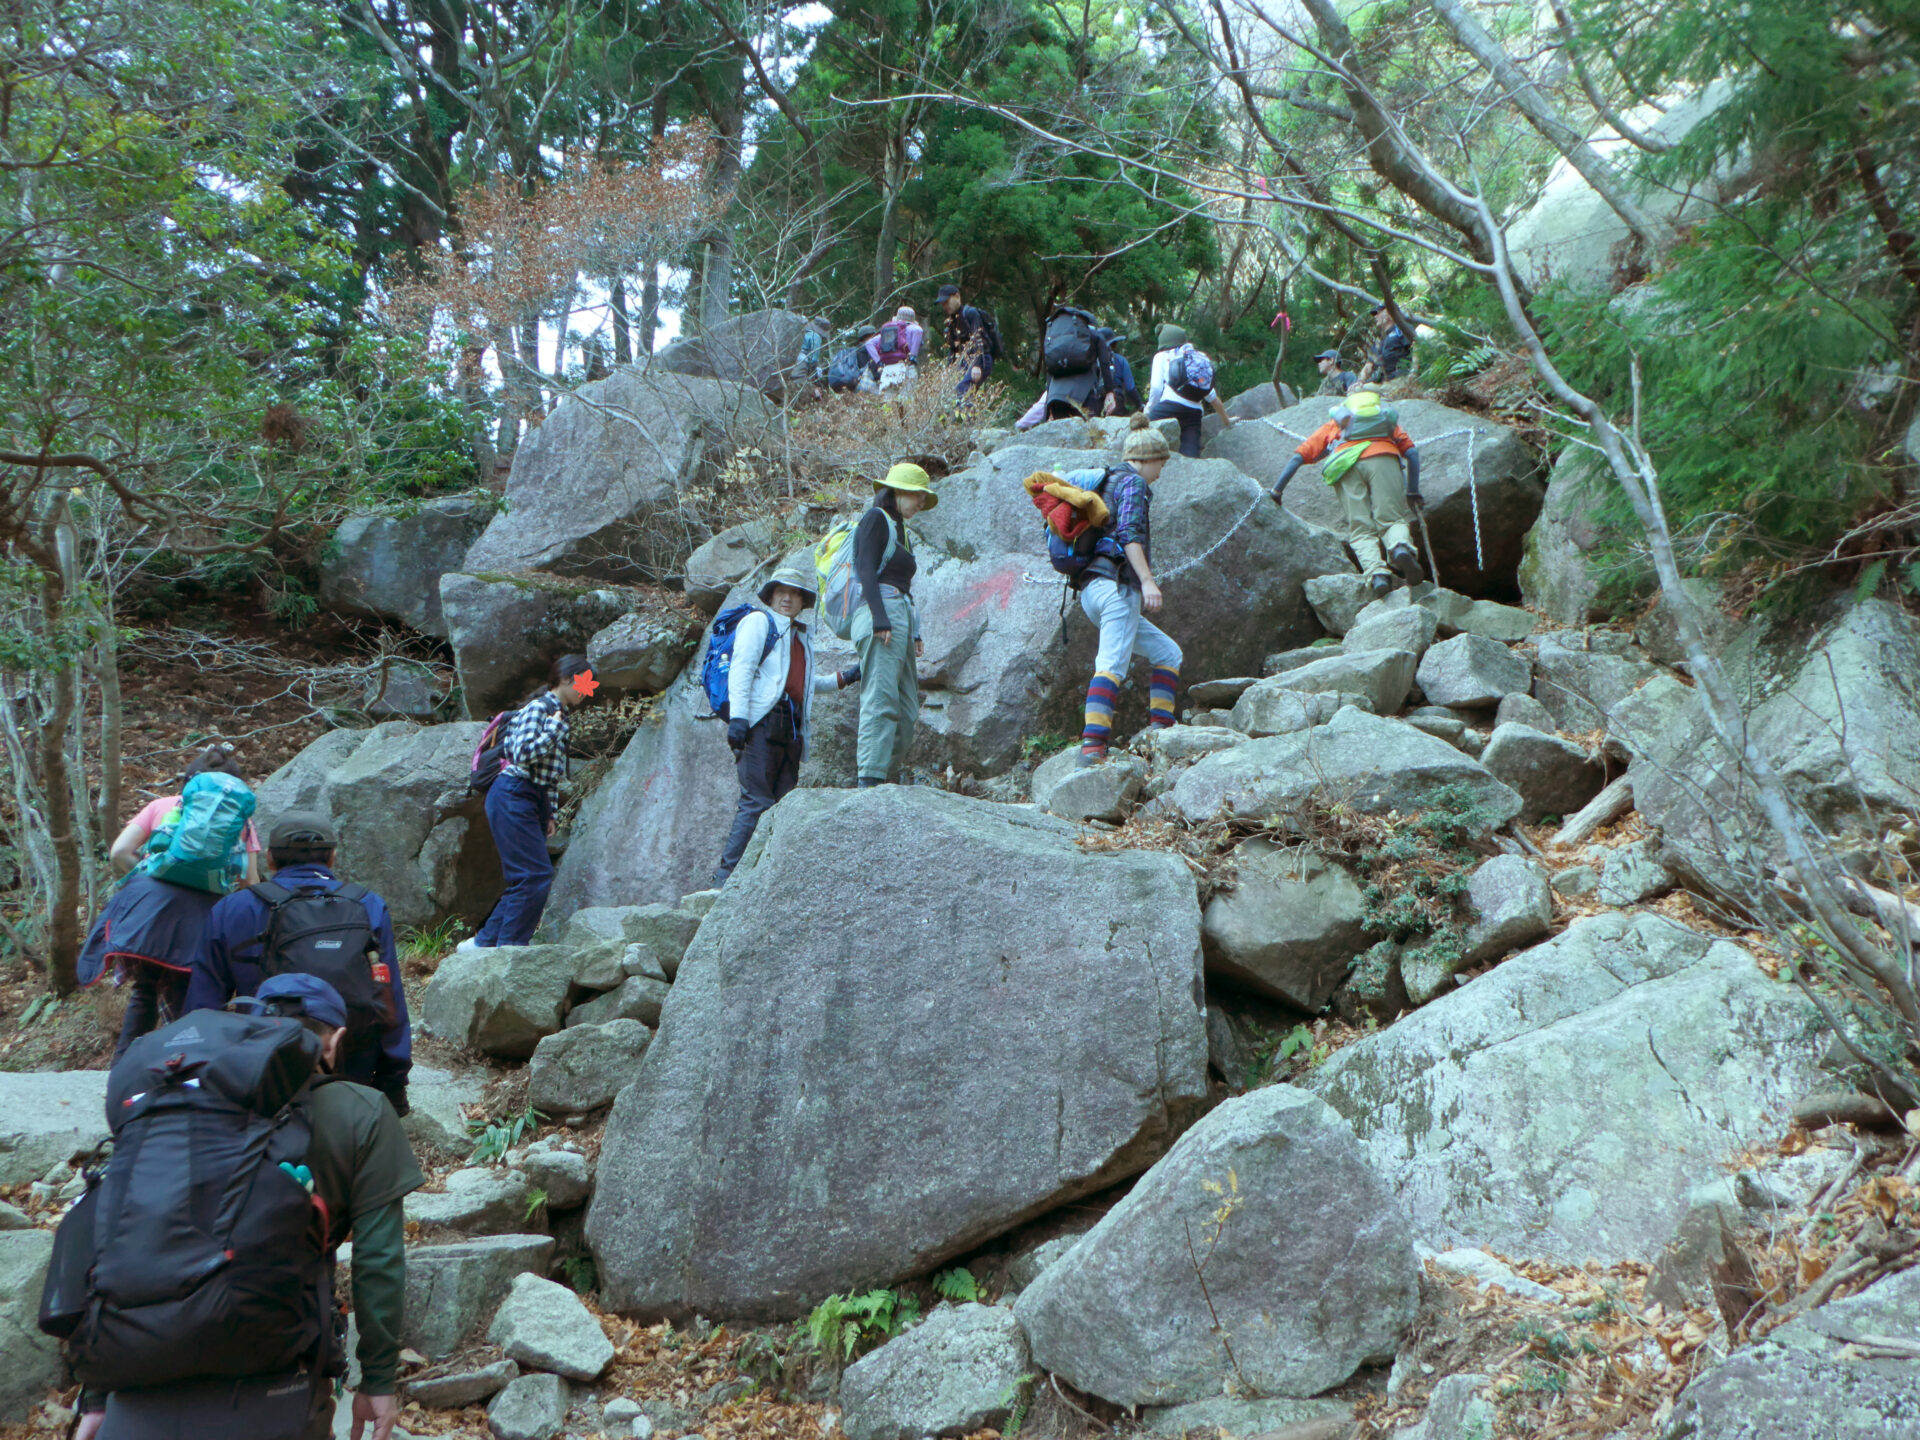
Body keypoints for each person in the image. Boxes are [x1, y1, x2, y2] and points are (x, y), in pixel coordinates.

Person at [73, 972, 425, 1440]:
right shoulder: (363, 1111)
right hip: (276, 1387)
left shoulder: (174, 1107)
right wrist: (377, 1380)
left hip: (138, 1380)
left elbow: (114, 1238)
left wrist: (97, 1394)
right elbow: (378, 1262)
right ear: (336, 1041)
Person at [187, 811, 413, 1117]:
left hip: (262, 1068)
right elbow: (388, 996)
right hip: (350, 1068)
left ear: (269, 859)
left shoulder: (233, 908)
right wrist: (394, 1083)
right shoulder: (368, 905)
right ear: (332, 857)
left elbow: (203, 1007)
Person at [81, 746, 264, 1057]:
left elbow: (119, 852)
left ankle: (123, 1068)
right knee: (186, 993)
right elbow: (250, 882)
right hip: (202, 914)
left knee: (145, 989)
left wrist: (151, 871)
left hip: (151, 908)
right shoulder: (240, 823)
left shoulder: (162, 806)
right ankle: (183, 1067)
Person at [713, 568, 861, 885]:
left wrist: (844, 678)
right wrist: (739, 718)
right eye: (782, 591)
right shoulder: (759, 622)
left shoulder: (797, 636)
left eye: (795, 593)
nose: (788, 598)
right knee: (757, 801)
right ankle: (725, 880)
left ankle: (764, 880)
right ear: (770, 596)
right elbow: (742, 668)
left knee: (781, 803)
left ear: (802, 601)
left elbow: (801, 683)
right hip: (760, 724)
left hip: (789, 727)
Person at [464, 655, 598, 949]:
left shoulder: (558, 713)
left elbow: (548, 775)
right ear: (566, 678)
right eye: (584, 683)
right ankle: (510, 949)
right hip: (513, 792)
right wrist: (554, 730)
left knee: (527, 877)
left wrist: (548, 813)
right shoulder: (539, 709)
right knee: (534, 875)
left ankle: (484, 944)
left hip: (528, 797)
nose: (586, 692)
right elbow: (522, 754)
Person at [1074, 416, 1182, 767]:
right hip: (1117, 589)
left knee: (1168, 653)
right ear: (1148, 458)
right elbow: (1130, 534)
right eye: (1162, 462)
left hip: (1091, 590)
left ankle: (1161, 732)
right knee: (1111, 665)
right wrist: (1147, 580)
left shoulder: (1108, 481)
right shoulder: (1133, 482)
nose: (1161, 471)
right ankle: (1092, 750)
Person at [1269, 386, 1424, 600]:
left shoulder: (1336, 424)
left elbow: (1298, 457)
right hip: (1384, 459)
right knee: (1391, 520)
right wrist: (1413, 491)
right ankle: (1399, 548)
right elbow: (1412, 454)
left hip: (1347, 467)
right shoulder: (1385, 421)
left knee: (1361, 529)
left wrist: (1277, 491)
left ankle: (1377, 575)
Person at [851, 463, 938, 786]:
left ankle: (882, 776)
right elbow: (865, 568)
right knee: (881, 698)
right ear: (898, 491)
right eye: (917, 496)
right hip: (881, 613)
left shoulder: (901, 531)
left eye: (923, 499)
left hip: (899, 616)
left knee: (907, 709)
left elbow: (903, 585)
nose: (920, 504)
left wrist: (914, 631)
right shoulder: (876, 519)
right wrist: (879, 619)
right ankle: (869, 779)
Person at [1147, 324, 1233, 458]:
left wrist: (1148, 412)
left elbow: (1156, 389)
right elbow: (1211, 396)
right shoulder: (1197, 358)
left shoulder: (1162, 356)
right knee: (1190, 455)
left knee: (1141, 438)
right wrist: (1227, 421)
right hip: (1194, 413)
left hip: (1169, 407)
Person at [938, 284, 994, 397]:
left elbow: (978, 338)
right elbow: (953, 349)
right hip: (963, 360)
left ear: (957, 296)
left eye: (947, 301)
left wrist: (977, 365)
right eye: (942, 303)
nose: (945, 306)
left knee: (962, 391)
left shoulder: (970, 313)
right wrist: (949, 370)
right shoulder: (951, 322)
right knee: (953, 393)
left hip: (980, 358)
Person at [864, 306, 924, 390]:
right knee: (907, 396)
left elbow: (869, 343)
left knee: (889, 396)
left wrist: (878, 361)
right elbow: (919, 331)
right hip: (906, 366)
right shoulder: (912, 328)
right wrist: (913, 355)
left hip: (887, 369)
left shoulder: (889, 332)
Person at [1358, 303, 1414, 383]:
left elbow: (1416, 347)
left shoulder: (1402, 329)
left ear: (1389, 313)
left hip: (1399, 378)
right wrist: (1360, 381)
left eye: (1378, 312)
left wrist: (1413, 373)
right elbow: (1369, 364)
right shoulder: (1382, 342)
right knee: (1355, 388)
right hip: (1383, 380)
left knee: (1359, 390)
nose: (1375, 316)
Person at [1099, 328, 1145, 414]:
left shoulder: (1092, 360)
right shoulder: (1120, 360)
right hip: (1116, 402)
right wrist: (1139, 405)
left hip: (1095, 403)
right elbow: (1130, 388)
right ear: (1113, 345)